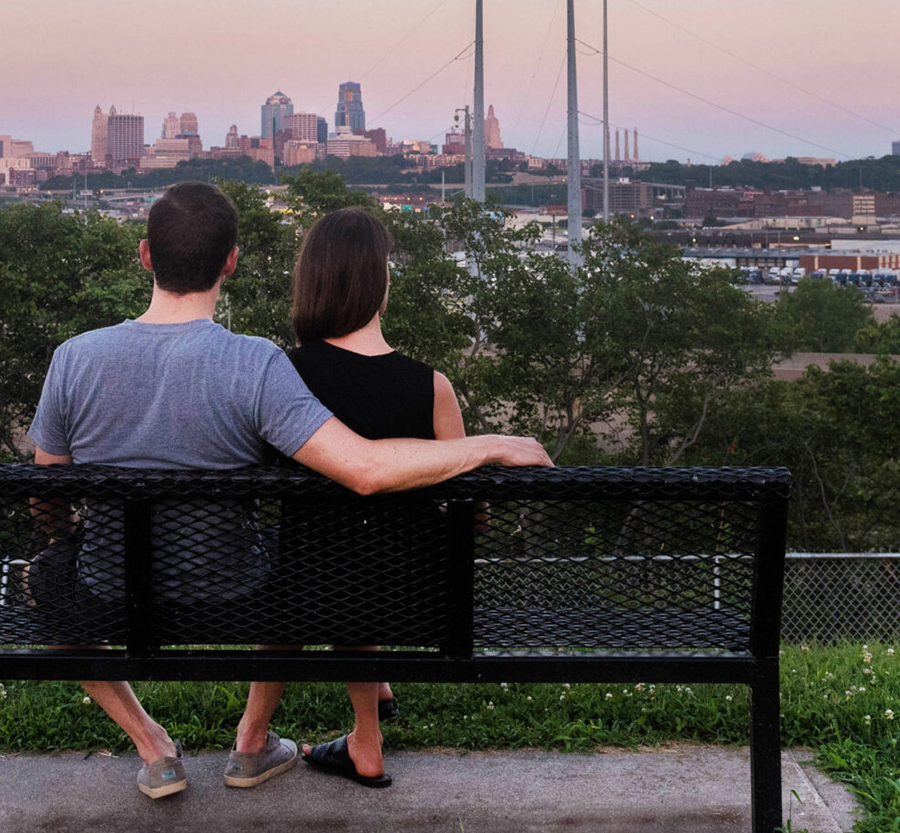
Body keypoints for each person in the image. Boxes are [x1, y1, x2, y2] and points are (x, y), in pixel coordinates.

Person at [28, 182, 551, 799]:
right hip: (234, 593)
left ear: (145, 255)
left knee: (46, 579)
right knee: (300, 551)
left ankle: (153, 746)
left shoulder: (74, 358)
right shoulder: (256, 364)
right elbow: (362, 468)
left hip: (110, 591)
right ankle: (251, 742)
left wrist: (73, 540)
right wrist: (486, 445)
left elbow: (47, 495)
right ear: (231, 260)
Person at [280, 207, 463, 788]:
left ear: (312, 281)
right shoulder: (432, 385)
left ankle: (366, 735)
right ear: (381, 283)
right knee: (367, 553)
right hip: (422, 597)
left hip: (311, 593)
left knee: (333, 553)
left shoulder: (285, 378)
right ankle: (370, 716)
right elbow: (468, 514)